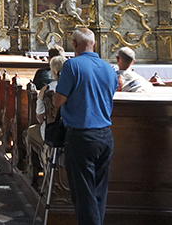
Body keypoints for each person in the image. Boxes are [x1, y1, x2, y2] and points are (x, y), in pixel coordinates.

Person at [53, 28, 117, 225]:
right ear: (94, 43)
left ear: (73, 44)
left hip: (81, 137)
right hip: (105, 136)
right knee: (98, 192)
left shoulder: (72, 66)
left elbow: (58, 101)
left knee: (83, 194)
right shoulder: (108, 68)